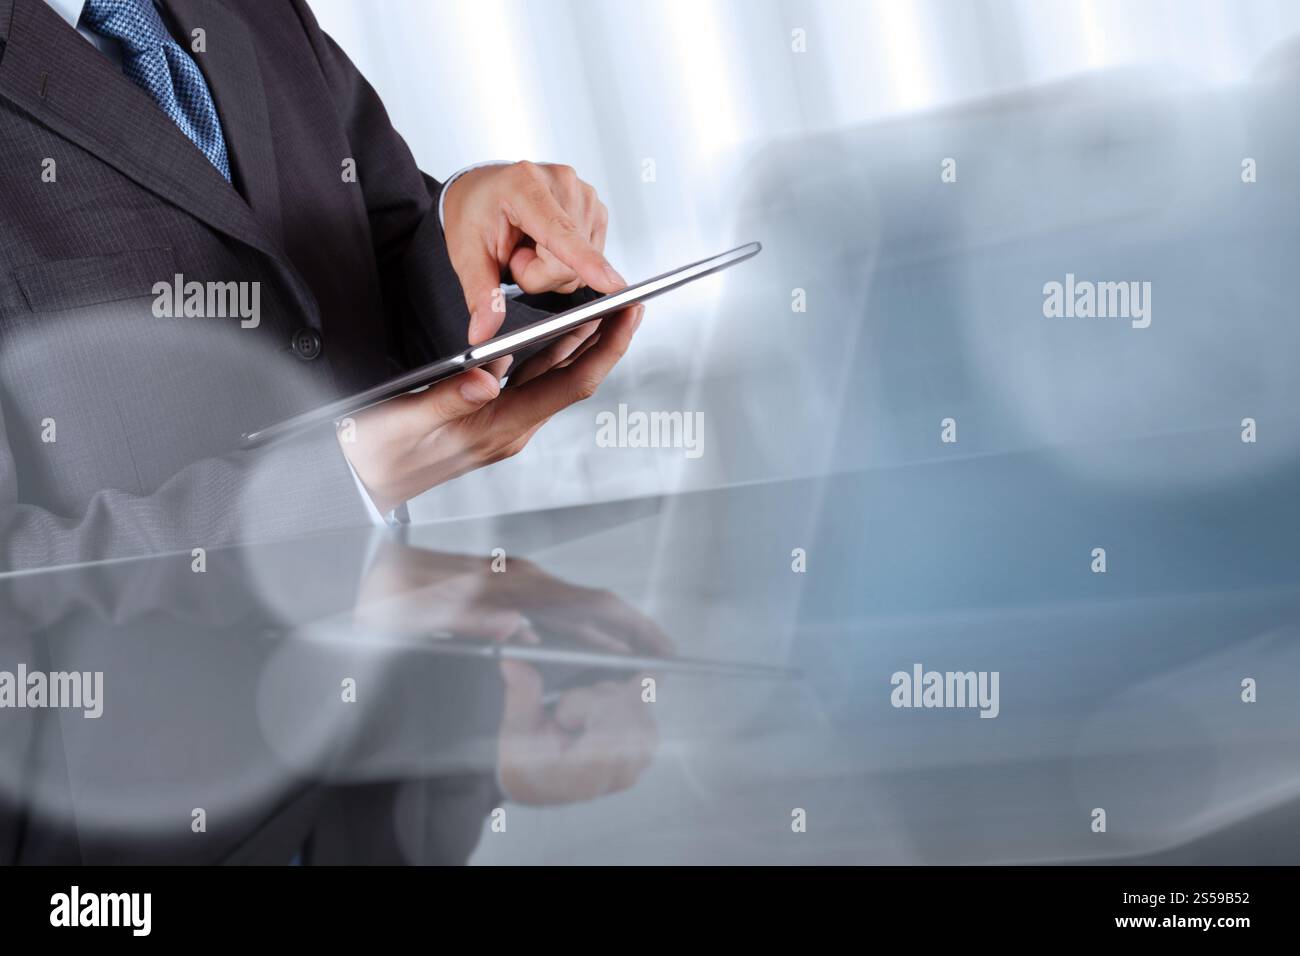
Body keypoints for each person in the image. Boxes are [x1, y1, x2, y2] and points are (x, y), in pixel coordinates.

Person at [0, 0, 640, 568]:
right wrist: (341, 487)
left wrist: (500, 245)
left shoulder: (266, 15)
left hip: (400, 658)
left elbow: (384, 277)